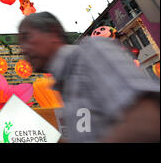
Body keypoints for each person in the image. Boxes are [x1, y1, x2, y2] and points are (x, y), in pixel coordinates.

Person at [18, 11, 160, 143]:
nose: (23, 49)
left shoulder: (91, 52)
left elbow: (148, 119)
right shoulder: (65, 83)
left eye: (27, 37)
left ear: (53, 34)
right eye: (20, 43)